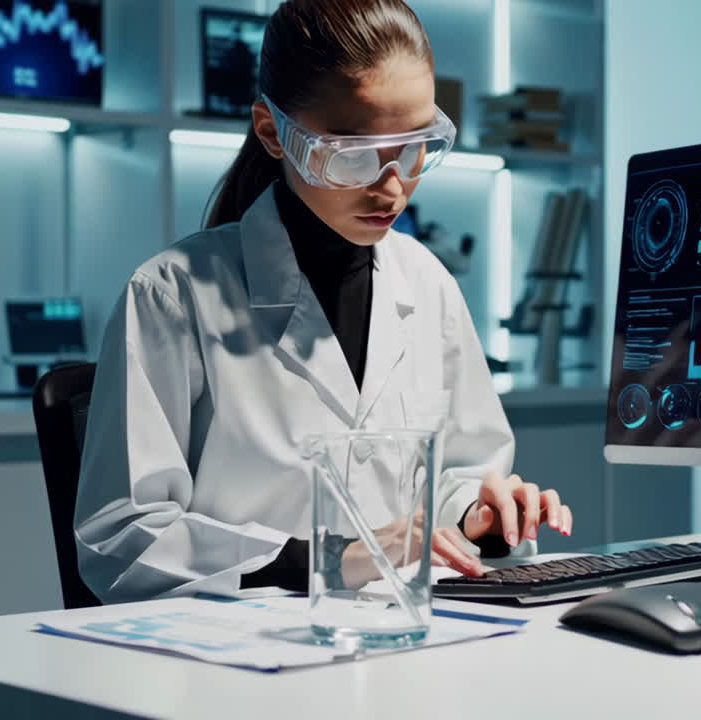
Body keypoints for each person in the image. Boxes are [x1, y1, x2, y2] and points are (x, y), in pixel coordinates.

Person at [75, 0, 573, 604]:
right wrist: (331, 559)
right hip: (240, 658)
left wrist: (476, 514)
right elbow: (123, 538)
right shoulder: (172, 295)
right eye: (356, 153)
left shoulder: (428, 283)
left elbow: (454, 476)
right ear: (272, 133)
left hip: (401, 636)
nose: (393, 186)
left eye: (415, 147)